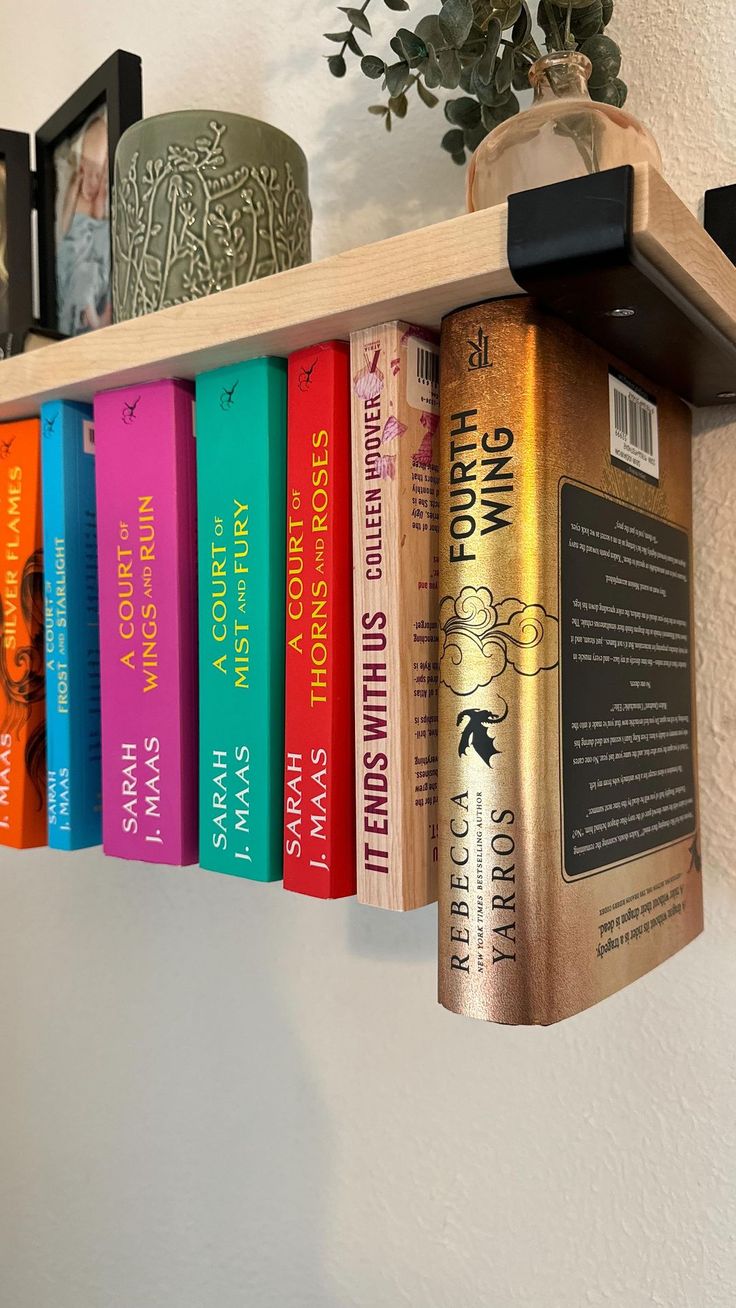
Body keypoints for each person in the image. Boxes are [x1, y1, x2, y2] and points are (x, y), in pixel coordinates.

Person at [56, 114, 111, 335]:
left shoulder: (97, 201)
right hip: (73, 251)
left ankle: (90, 314)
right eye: (87, 171)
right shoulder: (76, 192)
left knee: (91, 271)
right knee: (84, 275)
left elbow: (99, 216)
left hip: (89, 257)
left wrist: (103, 172)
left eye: (98, 175)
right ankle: (90, 316)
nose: (91, 182)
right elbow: (64, 223)